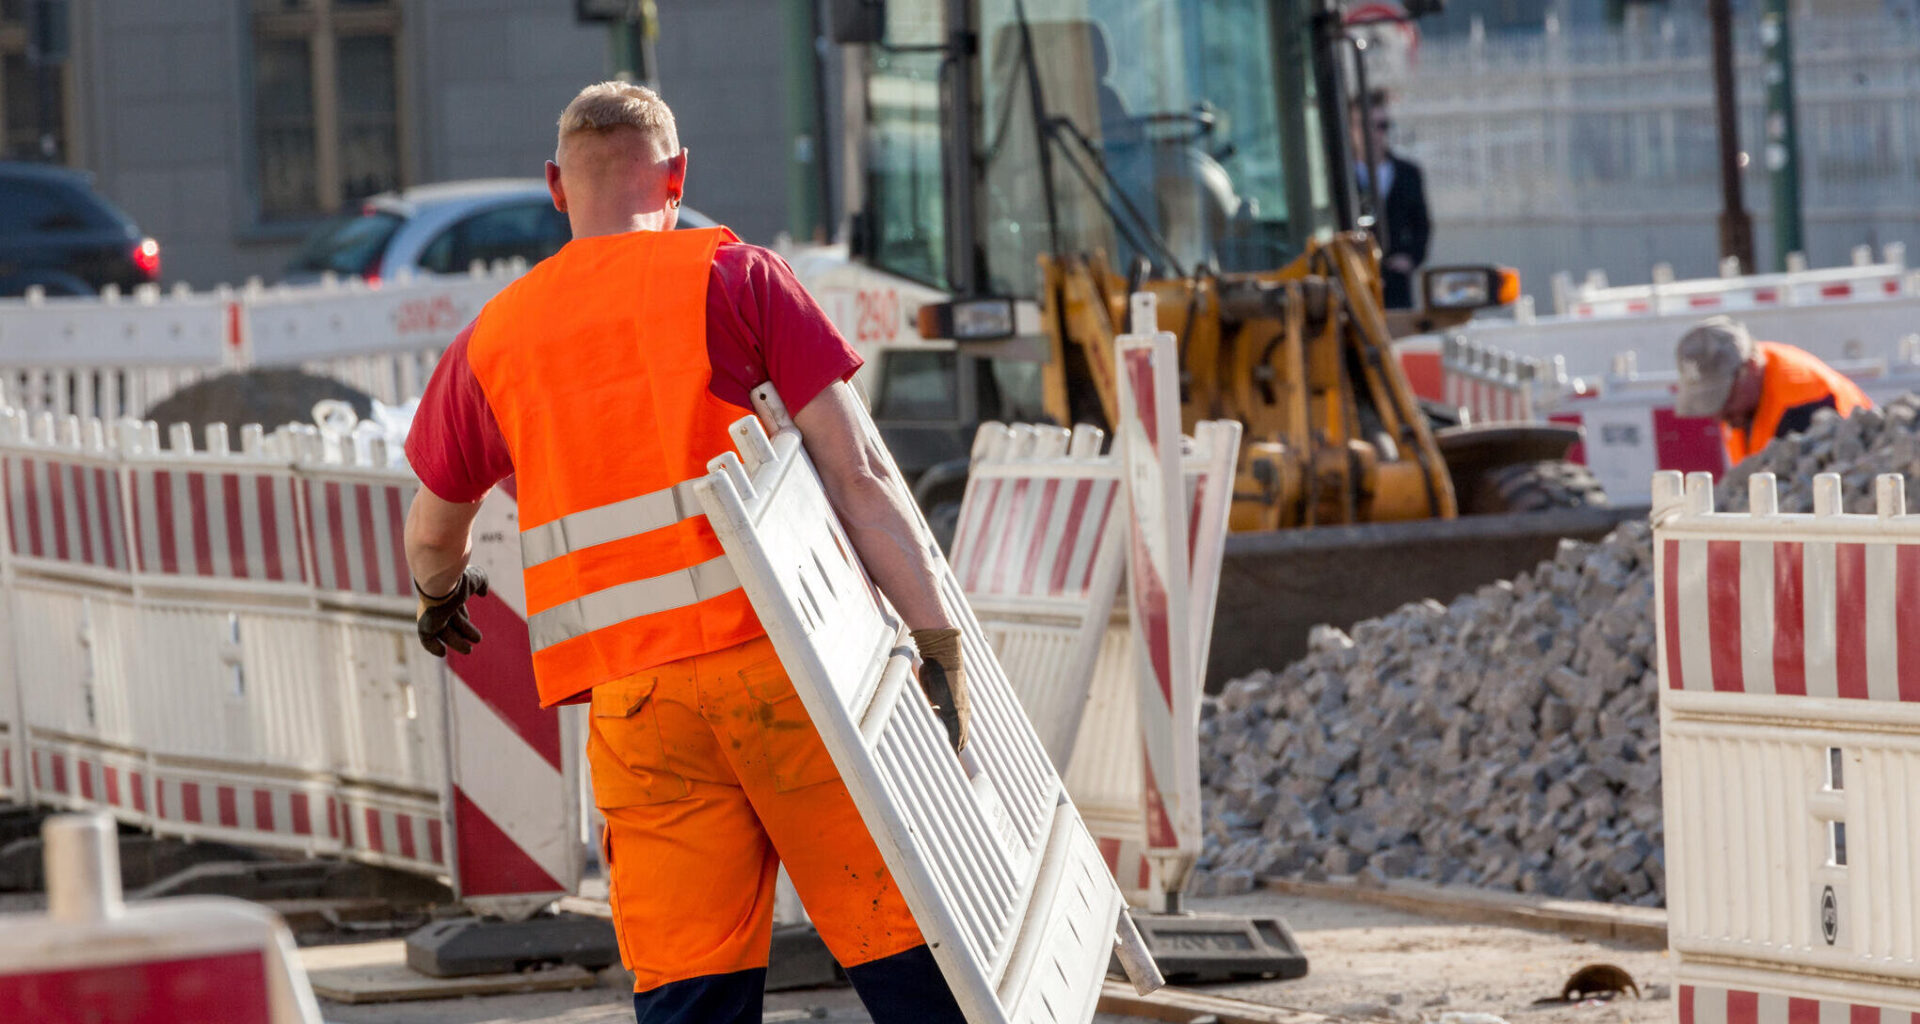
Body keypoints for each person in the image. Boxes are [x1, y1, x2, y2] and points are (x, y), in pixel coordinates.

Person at [401, 81, 969, 1024]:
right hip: (781, 670)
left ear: (554, 186)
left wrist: (439, 594)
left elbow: (432, 526)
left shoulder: (496, 338)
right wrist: (936, 639)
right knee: (898, 932)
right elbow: (861, 475)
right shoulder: (736, 278)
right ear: (678, 176)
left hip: (639, 706)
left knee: (690, 978)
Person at [1674, 315, 1871, 466]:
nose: (1718, 412)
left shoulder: (1804, 402)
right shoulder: (1741, 400)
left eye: (1722, 397)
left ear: (1750, 367)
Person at [1349, 90, 1430, 309]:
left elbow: (1421, 224)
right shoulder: (1339, 176)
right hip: (1352, 283)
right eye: (1364, 125)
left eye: (1382, 126)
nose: (1374, 134)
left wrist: (1410, 258)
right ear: (1350, 128)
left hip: (1395, 285)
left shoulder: (1407, 173)